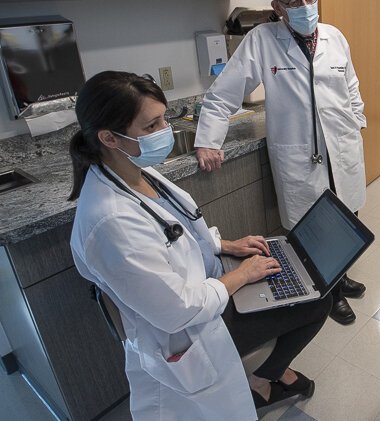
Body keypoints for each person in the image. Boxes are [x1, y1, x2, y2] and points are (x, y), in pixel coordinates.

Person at [68, 71, 330, 420]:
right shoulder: (110, 223)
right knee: (318, 300)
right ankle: (264, 378)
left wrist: (227, 245)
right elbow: (179, 310)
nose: (165, 131)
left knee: (298, 275)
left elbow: (178, 230)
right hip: (195, 329)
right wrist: (242, 276)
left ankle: (268, 372)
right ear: (109, 138)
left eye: (164, 119)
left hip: (211, 287)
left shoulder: (135, 173)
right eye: (151, 125)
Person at [194, 0, 367, 325]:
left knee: (347, 218)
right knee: (312, 228)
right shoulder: (261, 41)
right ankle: (327, 291)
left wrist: (358, 120)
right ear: (277, 7)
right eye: (294, 0)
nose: (305, 5)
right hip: (301, 156)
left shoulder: (335, 36)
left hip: (341, 146)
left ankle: (342, 275)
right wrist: (208, 140)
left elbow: (350, 85)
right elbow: (223, 94)